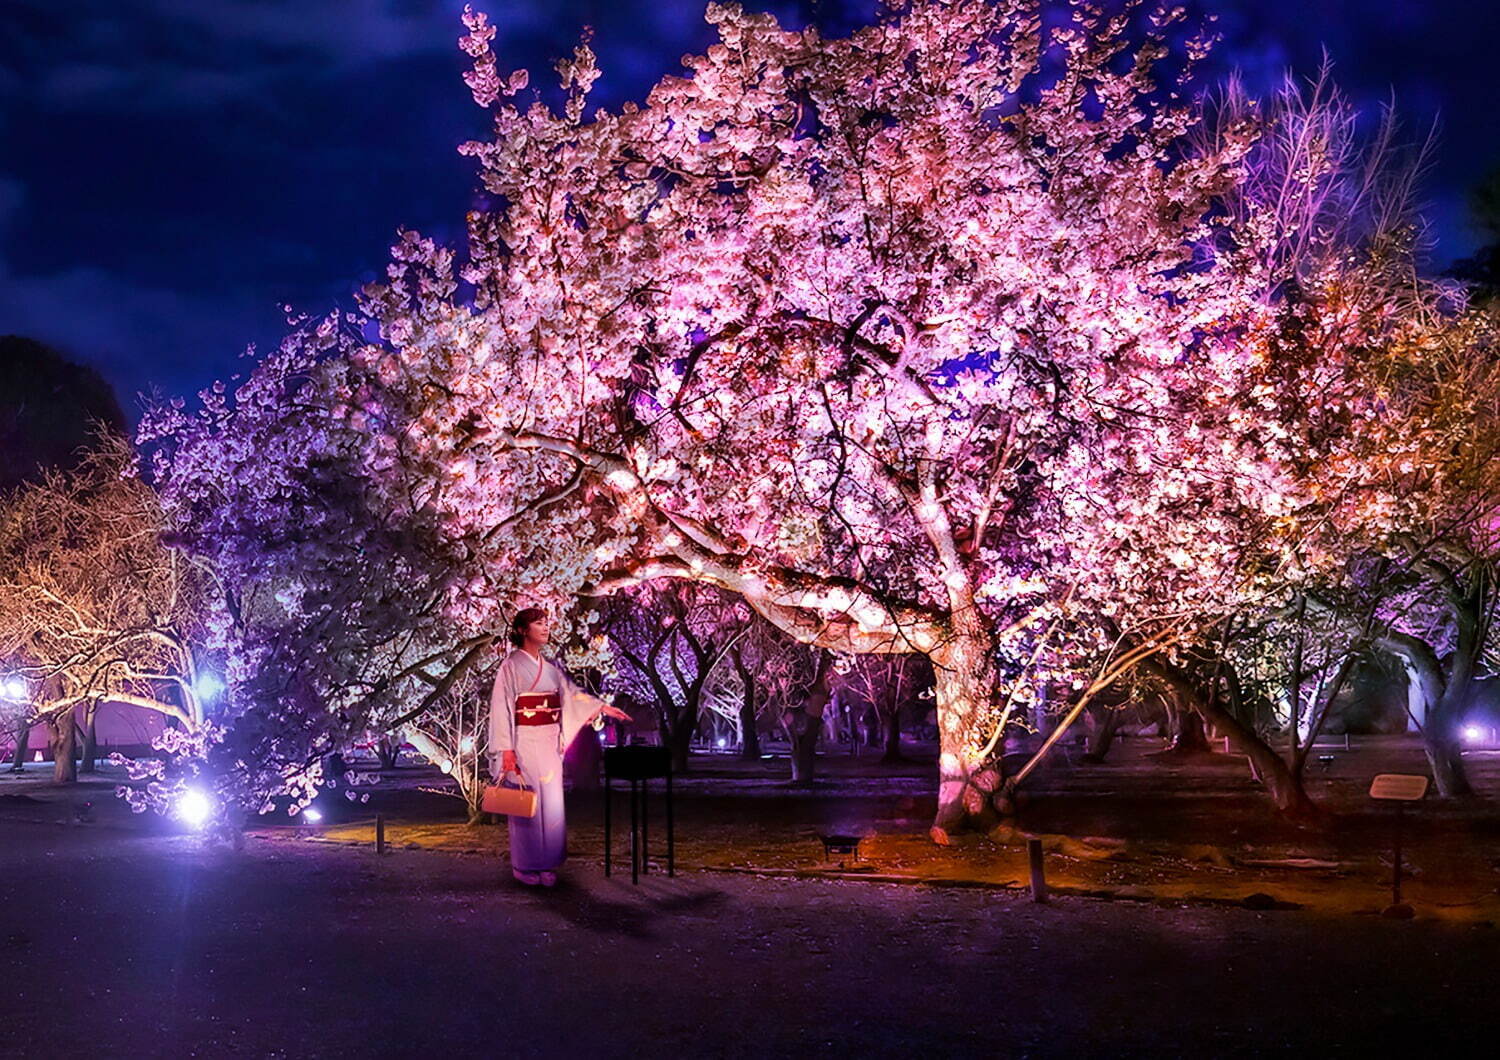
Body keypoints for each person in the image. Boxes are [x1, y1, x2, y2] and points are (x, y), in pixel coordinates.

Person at [488, 607, 630, 887]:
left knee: (552, 806)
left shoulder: (551, 669)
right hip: (523, 740)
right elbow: (501, 709)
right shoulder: (510, 666)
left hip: (549, 740)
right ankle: (524, 865)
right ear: (521, 630)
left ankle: (548, 863)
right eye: (538, 624)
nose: (545, 628)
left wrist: (601, 706)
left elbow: (572, 695)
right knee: (525, 802)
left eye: (546, 623)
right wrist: (507, 750)